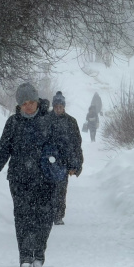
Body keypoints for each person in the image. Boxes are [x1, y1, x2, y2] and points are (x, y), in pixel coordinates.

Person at [0, 82, 56, 267]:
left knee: (44, 217)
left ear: (37, 101)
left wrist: (72, 164)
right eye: (24, 103)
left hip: (45, 178)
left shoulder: (49, 120)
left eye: (31, 101)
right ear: (19, 105)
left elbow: (63, 145)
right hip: (19, 178)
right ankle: (25, 256)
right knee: (22, 217)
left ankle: (38, 252)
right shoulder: (13, 123)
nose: (28, 106)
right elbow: (3, 149)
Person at [49, 91, 83, 225]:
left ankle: (58, 215)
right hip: (47, 162)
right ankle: (46, 214)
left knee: (61, 189)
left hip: (64, 162)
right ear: (53, 106)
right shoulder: (46, 119)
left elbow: (76, 145)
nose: (58, 109)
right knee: (47, 189)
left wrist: (75, 165)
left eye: (60, 107)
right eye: (56, 106)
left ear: (64, 107)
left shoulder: (71, 122)